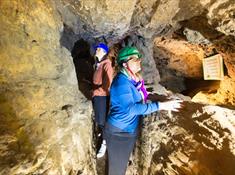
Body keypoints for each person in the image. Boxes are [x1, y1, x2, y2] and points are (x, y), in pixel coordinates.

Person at [104, 46, 182, 175]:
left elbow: (142, 96)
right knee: (116, 169)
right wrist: (160, 106)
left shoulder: (134, 79)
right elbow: (131, 109)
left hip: (128, 129)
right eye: (134, 59)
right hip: (119, 132)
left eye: (139, 58)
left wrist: (159, 97)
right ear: (124, 64)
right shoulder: (121, 82)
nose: (139, 61)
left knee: (119, 165)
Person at [92, 43, 113, 158]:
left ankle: (105, 144)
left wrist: (95, 92)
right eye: (96, 48)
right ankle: (102, 134)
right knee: (99, 120)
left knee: (103, 121)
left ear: (104, 52)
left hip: (102, 97)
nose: (96, 50)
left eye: (99, 49)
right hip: (97, 95)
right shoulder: (98, 64)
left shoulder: (107, 65)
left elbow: (107, 86)